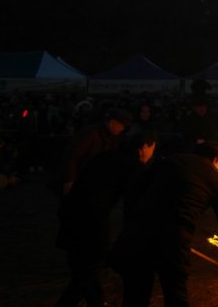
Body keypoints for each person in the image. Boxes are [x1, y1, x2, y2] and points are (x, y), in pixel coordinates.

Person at [109, 141, 218, 307]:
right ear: (216, 160)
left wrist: (133, 220)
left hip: (140, 231)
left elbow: (135, 189)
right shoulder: (214, 177)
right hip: (173, 238)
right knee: (175, 292)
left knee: (136, 293)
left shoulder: (168, 162)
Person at [54, 131, 157, 307]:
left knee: (84, 269)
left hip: (70, 213)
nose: (151, 155)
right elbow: (132, 204)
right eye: (152, 150)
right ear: (144, 147)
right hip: (90, 222)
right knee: (89, 270)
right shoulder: (133, 164)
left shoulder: (107, 155)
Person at [57, 108, 132, 196]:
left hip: (92, 178)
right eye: (121, 125)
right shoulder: (91, 134)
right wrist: (70, 180)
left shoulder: (113, 136)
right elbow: (72, 156)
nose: (122, 129)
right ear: (112, 123)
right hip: (80, 177)